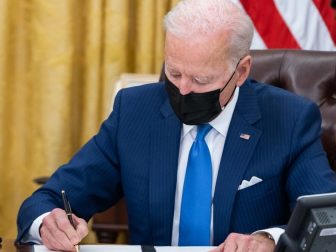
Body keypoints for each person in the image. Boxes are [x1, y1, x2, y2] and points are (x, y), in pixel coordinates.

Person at [17, 0, 336, 251]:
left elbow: (327, 220)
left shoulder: (290, 119)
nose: (183, 91)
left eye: (201, 80)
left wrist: (269, 240)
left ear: (241, 72)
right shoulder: (135, 111)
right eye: (174, 73)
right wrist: (49, 223)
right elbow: (49, 200)